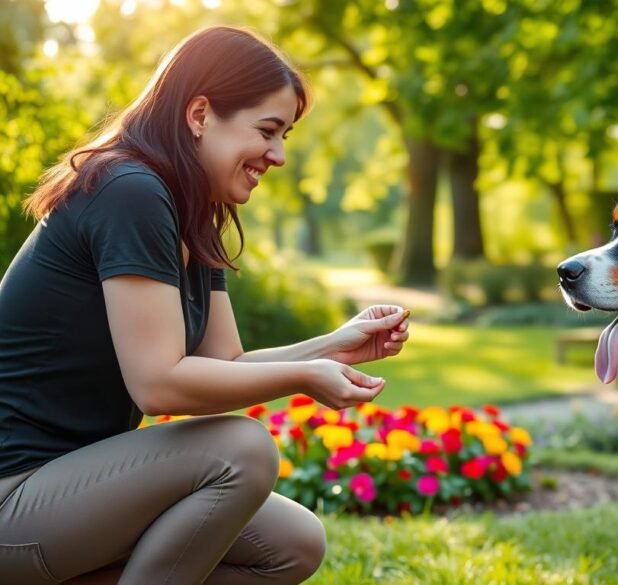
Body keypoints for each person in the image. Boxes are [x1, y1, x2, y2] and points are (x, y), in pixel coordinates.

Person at [0, 26, 410, 584]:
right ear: (199, 115)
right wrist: (304, 378)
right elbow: (159, 385)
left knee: (292, 544)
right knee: (240, 449)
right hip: (14, 497)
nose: (279, 154)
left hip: (67, 492)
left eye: (285, 135)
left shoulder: (193, 210)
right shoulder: (130, 192)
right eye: (268, 130)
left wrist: (332, 347)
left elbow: (228, 364)